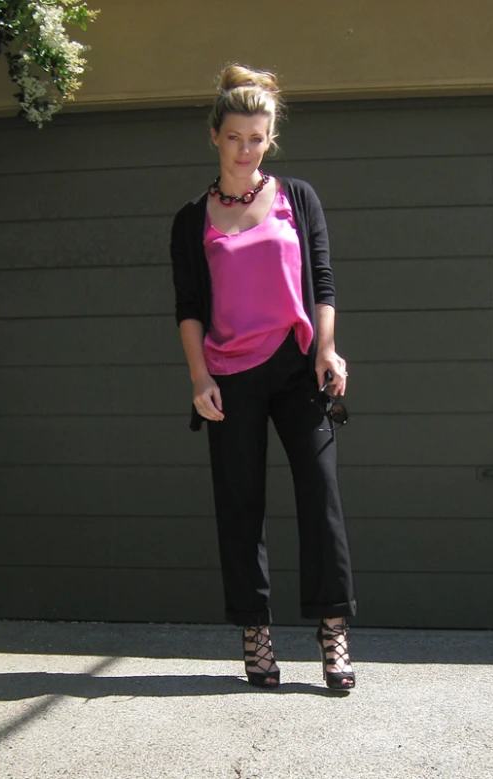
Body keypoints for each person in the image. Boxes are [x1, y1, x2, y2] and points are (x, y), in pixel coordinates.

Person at [170, 64, 356, 690]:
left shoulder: (297, 199)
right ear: (214, 137)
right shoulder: (191, 218)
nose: (246, 149)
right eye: (234, 137)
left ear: (269, 137)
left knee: (320, 499)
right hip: (228, 374)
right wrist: (200, 379)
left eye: (258, 137)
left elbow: (322, 285)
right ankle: (255, 633)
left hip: (296, 367)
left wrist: (327, 351)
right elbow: (190, 309)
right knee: (241, 506)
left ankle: (333, 635)